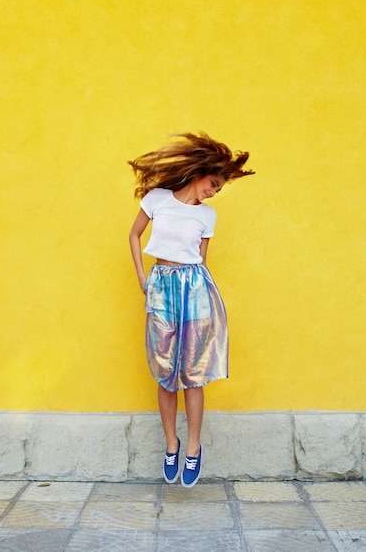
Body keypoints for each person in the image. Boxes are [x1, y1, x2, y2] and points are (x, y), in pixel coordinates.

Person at [128, 132, 254, 487]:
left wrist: (197, 289)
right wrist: (142, 277)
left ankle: (194, 448)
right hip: (161, 284)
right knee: (166, 370)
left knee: (193, 371)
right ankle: (172, 444)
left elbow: (201, 260)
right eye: (214, 183)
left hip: (195, 287)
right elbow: (134, 235)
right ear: (198, 173)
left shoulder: (208, 216)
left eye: (219, 188)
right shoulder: (158, 199)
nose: (215, 192)